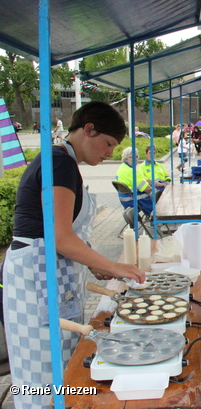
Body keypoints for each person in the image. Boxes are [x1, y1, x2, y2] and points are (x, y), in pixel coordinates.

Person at [2, 101, 145, 408]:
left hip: (47, 273)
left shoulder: (63, 162)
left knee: (61, 364)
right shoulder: (60, 164)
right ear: (88, 129)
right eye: (108, 144)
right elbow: (60, 237)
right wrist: (114, 267)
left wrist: (94, 264)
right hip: (35, 277)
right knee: (42, 370)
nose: (109, 152)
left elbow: (67, 233)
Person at [115, 146, 155, 215]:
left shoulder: (123, 168)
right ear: (126, 159)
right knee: (156, 197)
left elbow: (144, 180)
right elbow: (147, 189)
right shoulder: (130, 171)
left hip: (125, 199)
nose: (136, 159)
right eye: (133, 157)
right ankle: (155, 218)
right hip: (133, 200)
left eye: (137, 157)